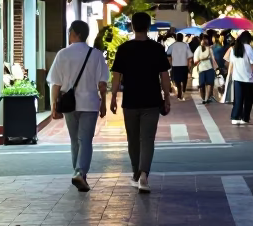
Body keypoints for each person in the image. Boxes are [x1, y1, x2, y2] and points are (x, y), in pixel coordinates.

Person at [109, 11, 171, 193]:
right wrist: (167, 97)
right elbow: (164, 76)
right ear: (148, 26)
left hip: (130, 100)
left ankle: (136, 173)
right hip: (152, 100)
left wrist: (113, 97)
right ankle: (144, 174)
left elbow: (116, 76)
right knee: (148, 139)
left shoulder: (124, 49)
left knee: (133, 139)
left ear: (133, 27)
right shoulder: (157, 49)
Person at [47, 19, 108, 193]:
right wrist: (103, 102)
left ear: (76, 33)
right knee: (85, 140)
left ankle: (78, 172)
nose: (68, 35)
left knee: (75, 140)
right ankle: (80, 172)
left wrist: (53, 105)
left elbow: (56, 83)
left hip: (69, 104)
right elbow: (102, 84)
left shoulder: (63, 54)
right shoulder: (95, 54)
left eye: (69, 32)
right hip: (89, 103)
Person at [229, 30, 253, 125]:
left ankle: (235, 116)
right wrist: (252, 72)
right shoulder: (248, 48)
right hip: (248, 78)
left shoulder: (234, 48)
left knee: (238, 98)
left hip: (237, 77)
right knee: (248, 99)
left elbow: (232, 63)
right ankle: (245, 118)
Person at [168, 31, 192, 100]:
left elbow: (168, 54)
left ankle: (179, 92)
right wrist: (189, 65)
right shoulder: (185, 45)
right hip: (184, 65)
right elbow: (190, 56)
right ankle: (183, 91)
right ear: (182, 38)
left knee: (177, 80)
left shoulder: (172, 45)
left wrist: (170, 62)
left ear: (176, 38)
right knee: (184, 80)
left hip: (175, 65)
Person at [195, 33, 216, 103]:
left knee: (209, 83)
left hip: (209, 68)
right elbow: (195, 59)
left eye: (206, 39)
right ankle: (203, 98)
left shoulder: (209, 48)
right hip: (201, 68)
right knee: (202, 84)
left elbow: (213, 59)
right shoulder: (198, 49)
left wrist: (215, 67)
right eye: (203, 39)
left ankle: (207, 98)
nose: (205, 40)